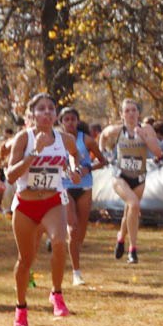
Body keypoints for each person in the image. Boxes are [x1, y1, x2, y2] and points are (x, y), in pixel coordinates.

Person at [6, 93, 83, 326]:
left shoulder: (65, 139)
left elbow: (75, 155)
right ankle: (21, 308)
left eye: (51, 108)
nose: (47, 112)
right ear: (32, 114)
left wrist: (75, 170)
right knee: (25, 260)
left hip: (53, 201)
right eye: (41, 108)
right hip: (26, 205)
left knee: (60, 241)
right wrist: (34, 152)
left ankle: (56, 293)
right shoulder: (24, 138)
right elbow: (10, 176)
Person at [99, 98, 163, 264]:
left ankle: (121, 237)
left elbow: (158, 152)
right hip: (120, 176)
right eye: (127, 111)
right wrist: (103, 154)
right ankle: (133, 250)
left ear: (138, 113)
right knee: (134, 204)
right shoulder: (117, 130)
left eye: (134, 110)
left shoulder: (147, 129)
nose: (131, 114)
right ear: (122, 115)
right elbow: (104, 135)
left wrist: (145, 137)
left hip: (139, 178)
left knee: (130, 210)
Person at [59, 107, 106, 286]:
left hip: (84, 186)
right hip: (65, 187)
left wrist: (88, 168)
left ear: (78, 121)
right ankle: (76, 272)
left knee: (81, 231)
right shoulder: (55, 140)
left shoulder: (86, 140)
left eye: (73, 119)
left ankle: (74, 253)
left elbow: (102, 161)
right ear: (61, 122)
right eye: (66, 119)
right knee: (72, 227)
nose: (70, 122)